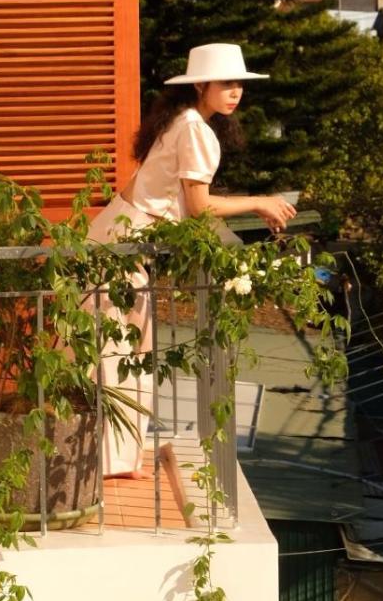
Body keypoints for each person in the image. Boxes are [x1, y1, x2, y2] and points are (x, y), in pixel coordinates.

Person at [87, 43, 296, 476]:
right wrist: (260, 201)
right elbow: (199, 207)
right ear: (201, 85)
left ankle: (117, 460)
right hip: (122, 244)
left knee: (128, 349)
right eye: (226, 83)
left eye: (239, 84)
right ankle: (107, 462)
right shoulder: (195, 129)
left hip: (121, 238)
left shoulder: (184, 121)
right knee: (118, 352)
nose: (235, 92)